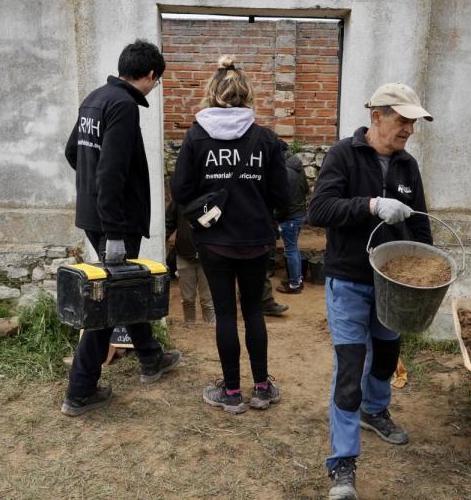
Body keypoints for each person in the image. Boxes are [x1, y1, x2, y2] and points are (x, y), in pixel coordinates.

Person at [308, 83, 434, 500]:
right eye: (402, 120)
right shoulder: (344, 155)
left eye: (413, 122)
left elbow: (419, 226)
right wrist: (371, 205)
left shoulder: (407, 167)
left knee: (386, 356)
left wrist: (430, 268)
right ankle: (342, 464)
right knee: (349, 370)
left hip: (394, 285)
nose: (409, 130)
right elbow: (320, 210)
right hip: (349, 279)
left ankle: (375, 409)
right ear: (377, 116)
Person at [61, 39, 181, 417]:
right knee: (109, 299)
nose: (154, 87)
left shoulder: (94, 99)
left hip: (95, 215)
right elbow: (110, 171)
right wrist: (113, 229)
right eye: (156, 81)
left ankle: (150, 356)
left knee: (128, 286)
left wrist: (90, 195)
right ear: (149, 75)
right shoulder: (125, 106)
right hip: (115, 221)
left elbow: (72, 152)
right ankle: (80, 391)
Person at [171, 55, 290, 414]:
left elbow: (179, 190)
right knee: (253, 311)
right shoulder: (266, 140)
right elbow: (284, 197)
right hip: (255, 239)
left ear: (211, 93)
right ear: (247, 94)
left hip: (214, 241)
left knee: (226, 314)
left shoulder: (196, 136)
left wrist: (206, 206)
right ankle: (262, 388)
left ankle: (232, 394)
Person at [165, 198, 215, 324]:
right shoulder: (180, 198)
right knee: (187, 300)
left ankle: (212, 333)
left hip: (209, 256)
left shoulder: (213, 196)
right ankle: (189, 328)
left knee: (208, 301)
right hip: (184, 254)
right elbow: (168, 222)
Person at [275, 139, 309, 294]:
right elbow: (306, 190)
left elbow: (284, 201)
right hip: (299, 213)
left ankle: (294, 284)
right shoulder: (297, 165)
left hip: (290, 216)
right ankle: (298, 278)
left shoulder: (285, 171)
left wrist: (276, 217)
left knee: (290, 249)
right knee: (293, 247)